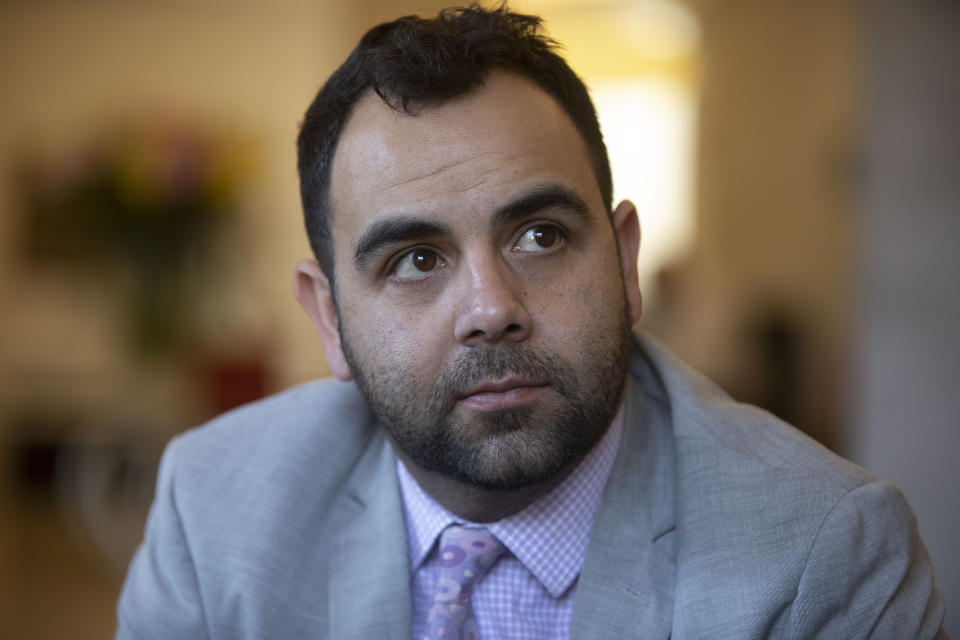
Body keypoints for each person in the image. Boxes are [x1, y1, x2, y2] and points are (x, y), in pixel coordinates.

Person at [116, 4, 946, 639]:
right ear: (329, 318)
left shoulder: (826, 553)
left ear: (623, 264)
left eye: (541, 236)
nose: (491, 309)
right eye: (413, 258)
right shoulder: (213, 507)